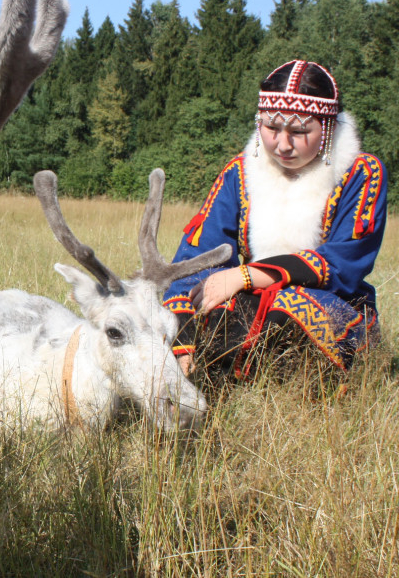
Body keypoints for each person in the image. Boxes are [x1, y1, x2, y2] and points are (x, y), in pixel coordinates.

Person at [163, 60, 387, 379]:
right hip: (252, 300)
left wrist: (248, 275)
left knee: (291, 309)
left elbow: (343, 264)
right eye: (271, 128)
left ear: (327, 129)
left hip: (335, 304)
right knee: (208, 301)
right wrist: (183, 340)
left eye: (298, 131)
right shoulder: (239, 173)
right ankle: (213, 378)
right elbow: (199, 255)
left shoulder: (362, 174)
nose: (282, 144)